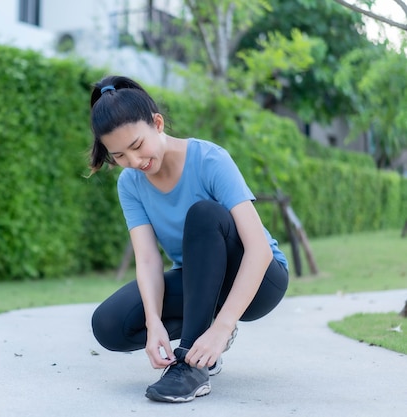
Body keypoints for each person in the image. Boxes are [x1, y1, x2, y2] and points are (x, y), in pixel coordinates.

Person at [88, 75, 289, 403]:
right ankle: (201, 344)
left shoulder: (210, 160)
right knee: (109, 323)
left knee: (204, 214)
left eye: (137, 146)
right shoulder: (130, 184)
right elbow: (149, 260)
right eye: (120, 156)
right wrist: (154, 323)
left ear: (157, 123)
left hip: (261, 279)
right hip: (200, 282)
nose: (135, 162)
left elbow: (259, 250)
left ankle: (192, 366)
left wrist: (222, 328)